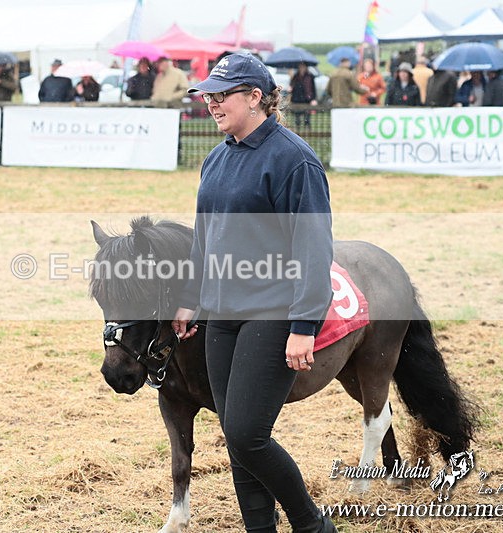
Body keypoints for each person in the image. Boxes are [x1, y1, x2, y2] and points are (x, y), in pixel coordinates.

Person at [172, 52, 337, 533]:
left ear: (255, 97)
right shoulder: (218, 156)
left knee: (247, 435)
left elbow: (313, 248)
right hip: (222, 313)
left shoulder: (294, 160)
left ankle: (311, 525)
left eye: (222, 95)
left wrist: (304, 325)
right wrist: (191, 295)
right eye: (208, 95)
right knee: (235, 434)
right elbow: (205, 237)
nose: (212, 103)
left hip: (273, 311)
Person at [288, 61, 317, 127]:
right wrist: (290, 88)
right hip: (297, 98)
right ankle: (298, 127)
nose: (302, 68)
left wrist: (314, 99)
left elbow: (313, 88)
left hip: (307, 98)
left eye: (303, 66)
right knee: (297, 115)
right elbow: (292, 85)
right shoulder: (296, 76)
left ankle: (307, 127)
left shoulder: (310, 76)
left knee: (307, 115)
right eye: (300, 66)